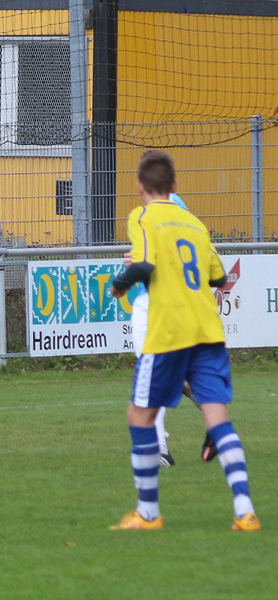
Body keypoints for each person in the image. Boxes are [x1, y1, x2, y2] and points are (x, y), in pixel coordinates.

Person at [108, 150, 258, 532]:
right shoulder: (194, 223)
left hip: (169, 330)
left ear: (139, 186)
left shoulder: (142, 216)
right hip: (207, 330)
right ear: (175, 185)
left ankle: (148, 513)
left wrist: (119, 284)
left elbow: (144, 264)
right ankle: (245, 512)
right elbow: (219, 277)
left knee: (139, 416)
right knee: (218, 418)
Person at [125, 192, 216, 467]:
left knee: (152, 372)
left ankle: (160, 450)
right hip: (179, 306)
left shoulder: (156, 216)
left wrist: (138, 265)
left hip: (156, 305)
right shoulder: (186, 220)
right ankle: (215, 422)